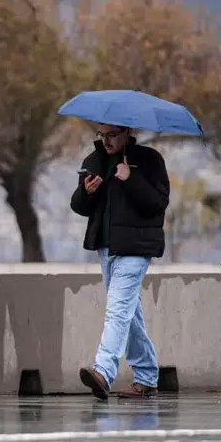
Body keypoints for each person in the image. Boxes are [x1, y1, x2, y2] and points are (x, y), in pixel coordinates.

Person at [70, 124, 170, 400]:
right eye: (102, 135)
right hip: (105, 247)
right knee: (128, 312)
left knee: (117, 309)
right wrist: (87, 192)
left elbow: (157, 204)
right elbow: (78, 206)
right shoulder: (94, 161)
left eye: (112, 135)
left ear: (127, 132)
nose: (106, 141)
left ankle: (103, 371)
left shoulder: (149, 160)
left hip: (136, 248)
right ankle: (147, 375)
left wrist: (131, 179)